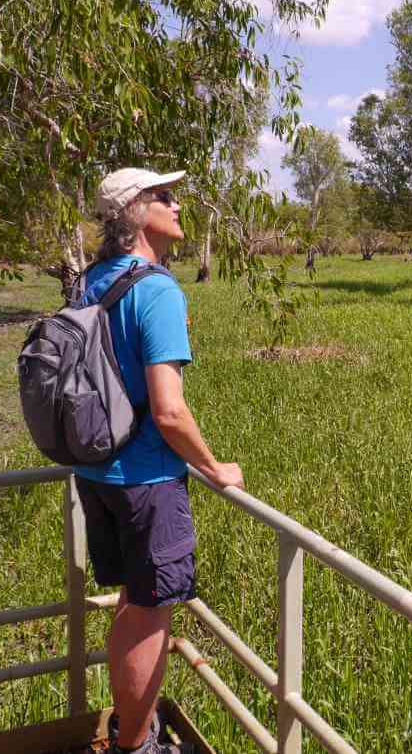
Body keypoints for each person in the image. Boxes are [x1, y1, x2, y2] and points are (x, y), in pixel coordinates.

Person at [73, 167, 245, 754]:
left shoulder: (92, 280)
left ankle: (129, 729)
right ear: (134, 214)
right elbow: (169, 413)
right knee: (149, 616)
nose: (177, 206)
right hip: (147, 479)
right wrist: (217, 468)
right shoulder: (158, 290)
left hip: (96, 471)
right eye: (163, 198)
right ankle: (137, 746)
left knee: (131, 606)